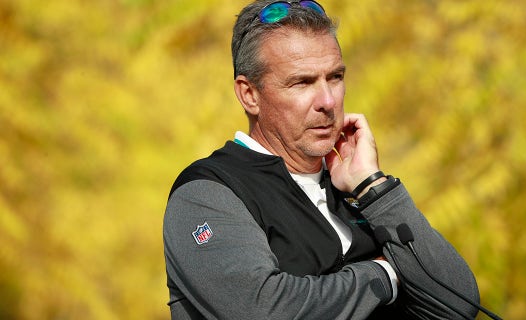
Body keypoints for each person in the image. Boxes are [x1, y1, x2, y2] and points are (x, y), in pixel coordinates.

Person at [163, 1, 480, 319]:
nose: (328, 101)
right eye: (302, 82)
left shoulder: (356, 190)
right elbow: (265, 310)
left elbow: (458, 304)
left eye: (335, 77)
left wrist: (373, 185)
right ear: (249, 94)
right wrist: (384, 275)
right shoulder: (206, 194)